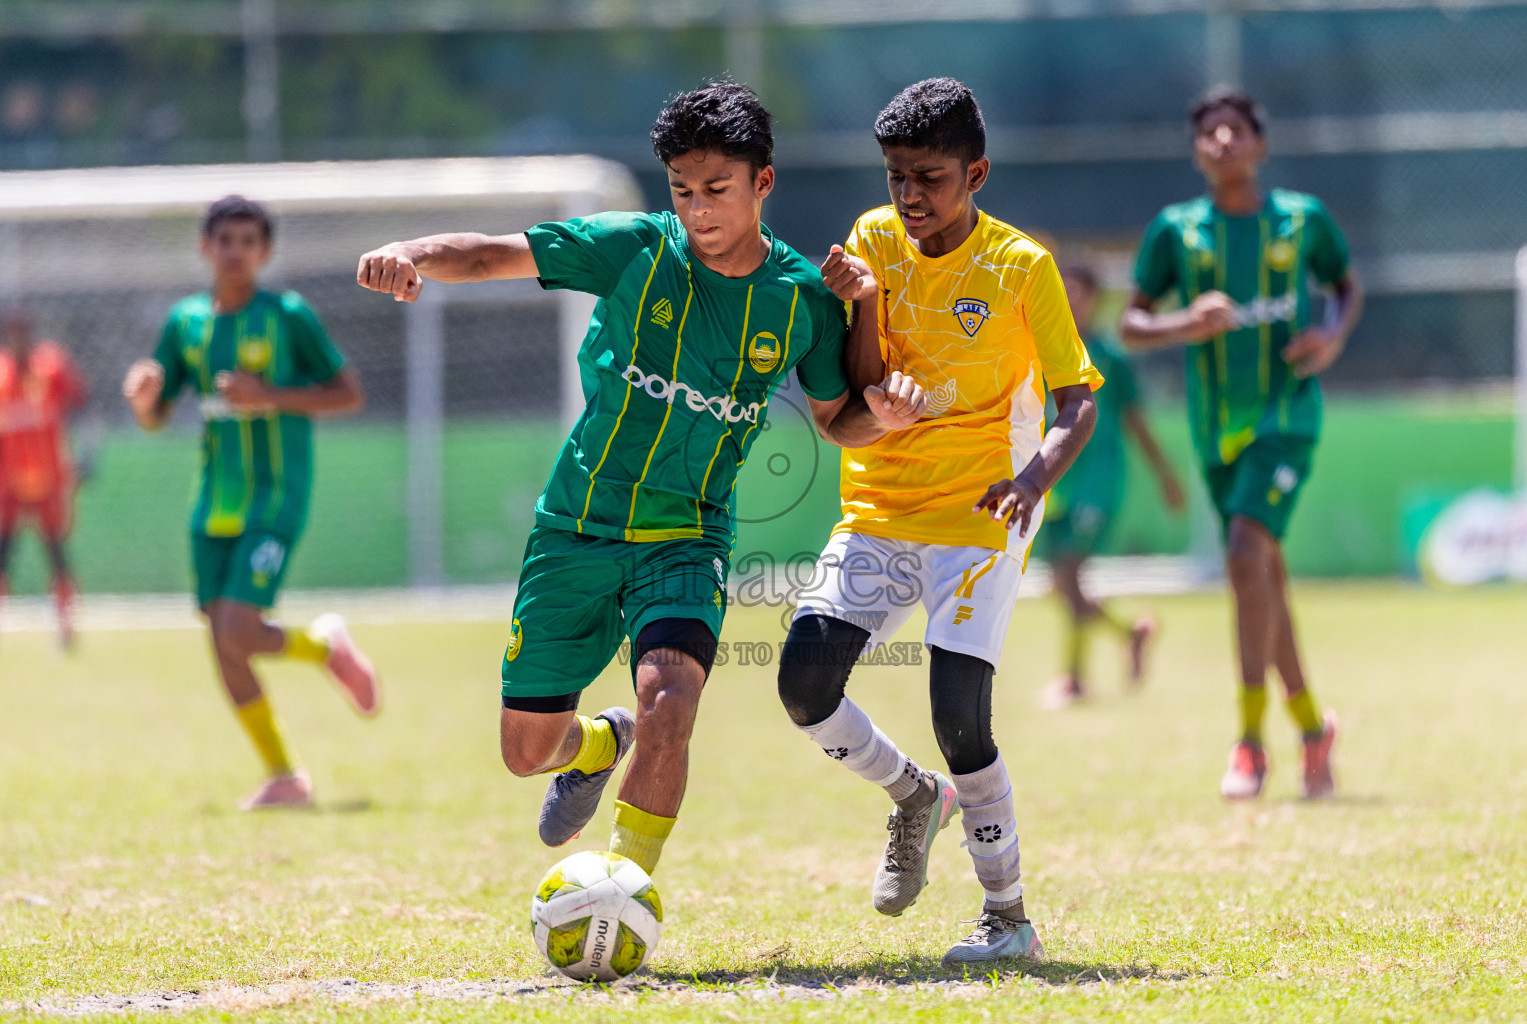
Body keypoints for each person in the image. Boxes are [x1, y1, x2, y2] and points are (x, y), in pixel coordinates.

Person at [356, 81, 924, 877]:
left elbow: (838, 419)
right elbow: (491, 253)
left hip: (687, 537)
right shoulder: (634, 248)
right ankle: (598, 741)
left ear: (763, 183)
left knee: (673, 702)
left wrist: (885, 421)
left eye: (717, 190)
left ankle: (627, 888)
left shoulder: (801, 299)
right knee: (528, 753)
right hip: (576, 525)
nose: (698, 210)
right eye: (683, 190)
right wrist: (410, 254)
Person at [777, 78, 1101, 965]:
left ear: (977, 173)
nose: (909, 196)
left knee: (960, 711)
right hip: (881, 501)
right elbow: (856, 380)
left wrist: (1035, 478)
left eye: (930, 177)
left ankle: (1008, 918)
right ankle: (915, 795)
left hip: (981, 507)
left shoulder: (1022, 267)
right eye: (895, 177)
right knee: (804, 684)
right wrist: (869, 306)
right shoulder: (872, 243)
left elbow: (1078, 404)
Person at [1119, 88, 1362, 801]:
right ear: (1197, 152)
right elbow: (1132, 325)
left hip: (1286, 419)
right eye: (1209, 133)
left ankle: (1250, 742)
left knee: (1244, 557)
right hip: (1215, 432)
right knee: (1263, 578)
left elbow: (1346, 286)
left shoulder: (1301, 219)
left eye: (1236, 130)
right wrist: (1183, 324)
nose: (1222, 141)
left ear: (1259, 144)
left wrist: (1332, 334)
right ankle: (1313, 728)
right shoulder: (1177, 231)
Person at [122, 195, 380, 811]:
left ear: (263, 253)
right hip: (213, 504)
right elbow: (157, 416)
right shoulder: (185, 323)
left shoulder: (287, 315)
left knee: (236, 629)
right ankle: (285, 775)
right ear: (205, 247)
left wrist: (270, 396)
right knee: (224, 642)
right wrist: (144, 401)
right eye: (224, 240)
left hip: (276, 496)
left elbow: (348, 395)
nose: (234, 251)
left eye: (247, 241)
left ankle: (324, 649)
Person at [1039, 263, 1185, 707]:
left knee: (1069, 572)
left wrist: (1166, 476)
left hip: (1097, 481)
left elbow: (1135, 421)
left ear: (1095, 299)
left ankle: (1075, 678)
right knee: (1062, 582)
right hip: (1052, 478)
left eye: (1079, 292)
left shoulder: (1111, 357)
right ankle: (1130, 634)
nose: (1071, 299)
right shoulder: (1040, 348)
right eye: (1064, 291)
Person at [0, 306, 87, 647]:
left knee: (56, 552)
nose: (19, 340)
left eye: (24, 332)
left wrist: (86, 455)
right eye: (13, 333)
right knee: (4, 553)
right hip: (9, 484)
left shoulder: (51, 368)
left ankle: (65, 624)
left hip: (50, 480)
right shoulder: (2, 376)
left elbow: (83, 406)